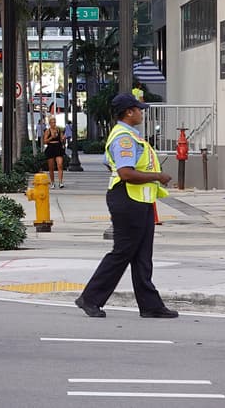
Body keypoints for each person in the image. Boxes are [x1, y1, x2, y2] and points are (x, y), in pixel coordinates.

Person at [75, 94, 177, 319]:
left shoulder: (130, 135)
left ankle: (150, 305)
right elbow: (125, 173)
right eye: (139, 109)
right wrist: (158, 176)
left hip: (139, 201)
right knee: (122, 253)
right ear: (129, 112)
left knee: (142, 255)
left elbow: (108, 162)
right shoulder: (124, 138)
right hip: (128, 199)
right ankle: (90, 298)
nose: (142, 112)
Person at [42, 116, 66, 188]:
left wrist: (63, 139)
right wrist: (51, 137)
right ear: (49, 123)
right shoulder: (47, 131)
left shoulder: (58, 130)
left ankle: (60, 182)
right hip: (51, 148)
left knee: (60, 164)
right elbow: (45, 141)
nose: (54, 124)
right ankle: (52, 182)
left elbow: (61, 139)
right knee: (51, 167)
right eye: (52, 122)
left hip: (58, 147)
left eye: (54, 122)